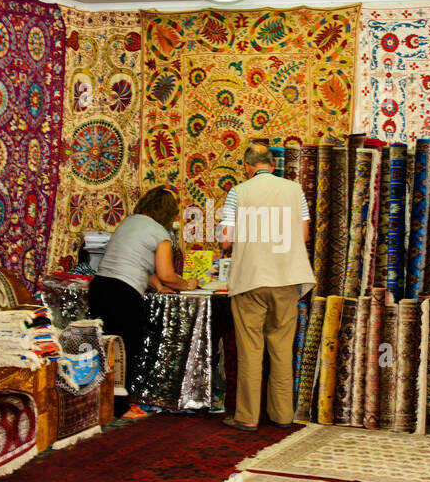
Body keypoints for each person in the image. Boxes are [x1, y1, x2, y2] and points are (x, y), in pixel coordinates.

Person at [218, 143, 314, 431]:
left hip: (251, 279)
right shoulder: (295, 190)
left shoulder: (238, 192)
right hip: (286, 278)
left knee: (251, 350)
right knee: (282, 349)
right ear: (272, 165)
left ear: (247, 167)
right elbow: (304, 234)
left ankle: (247, 416)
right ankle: (282, 414)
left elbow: (225, 239)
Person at [88, 186, 195, 417]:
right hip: (123, 293)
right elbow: (166, 273)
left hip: (100, 287)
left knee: (104, 348)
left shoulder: (128, 223)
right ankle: (121, 408)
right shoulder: (160, 233)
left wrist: (159, 287)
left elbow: (141, 265)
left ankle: (99, 402)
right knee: (125, 350)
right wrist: (187, 284)